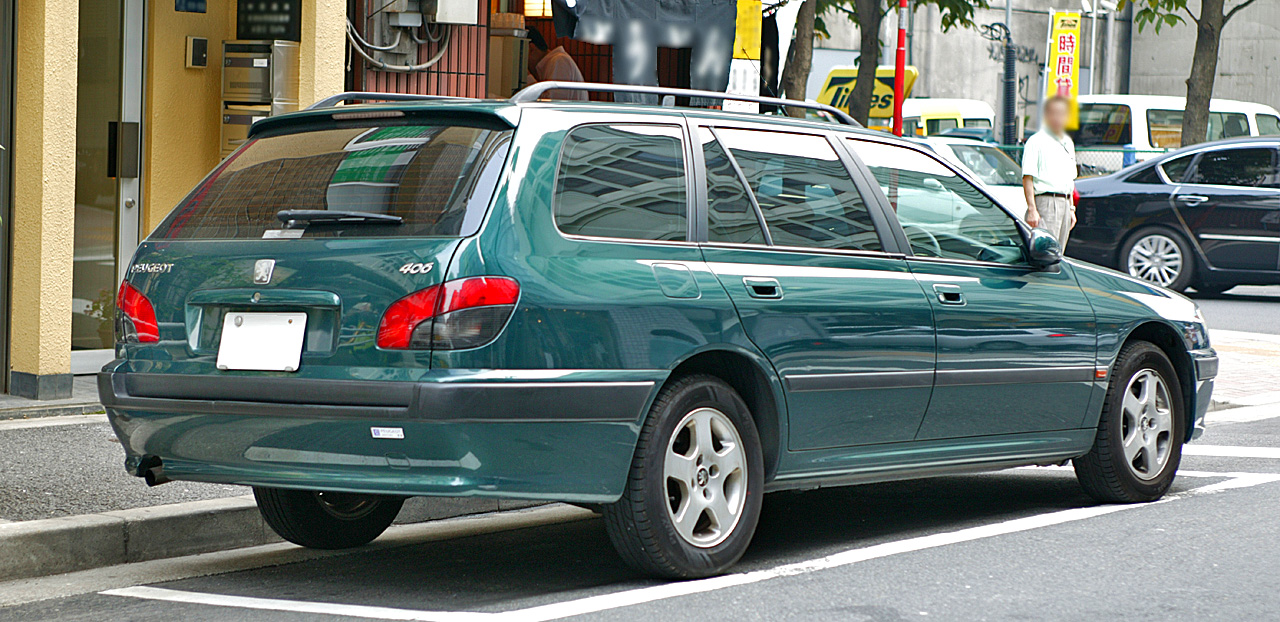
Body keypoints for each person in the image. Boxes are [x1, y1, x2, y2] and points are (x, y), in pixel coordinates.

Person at [1021, 96, 1078, 247]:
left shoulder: (1068, 142)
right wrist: (1032, 209)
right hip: (1046, 202)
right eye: (1054, 113)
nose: (1058, 118)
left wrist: (1071, 208)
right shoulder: (1036, 141)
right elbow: (1027, 178)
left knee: (1059, 253)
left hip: (1065, 202)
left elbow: (1069, 179)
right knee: (1045, 251)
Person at [526, 28, 587, 101]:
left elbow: (554, 103)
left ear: (530, 48)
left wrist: (526, 76)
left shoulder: (559, 61)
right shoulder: (553, 62)